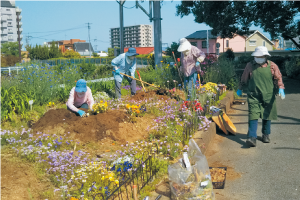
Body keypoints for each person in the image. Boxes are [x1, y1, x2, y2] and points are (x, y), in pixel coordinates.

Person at [236, 46, 285, 147]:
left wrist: (281, 88)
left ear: (266, 56)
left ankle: (265, 135)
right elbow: (244, 77)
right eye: (257, 56)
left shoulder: (272, 66)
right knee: (253, 115)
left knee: (267, 115)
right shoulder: (250, 65)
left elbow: (278, 77)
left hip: (268, 95)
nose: (259, 58)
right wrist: (240, 88)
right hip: (254, 95)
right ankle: (252, 137)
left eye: (261, 56)